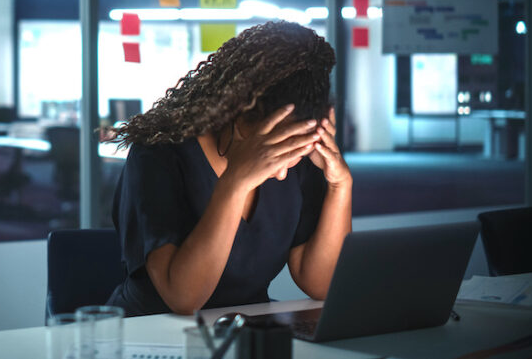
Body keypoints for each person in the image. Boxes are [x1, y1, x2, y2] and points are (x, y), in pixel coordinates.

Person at [105, 21, 352, 316]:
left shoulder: (300, 155)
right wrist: (235, 183)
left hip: (245, 330)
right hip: (152, 332)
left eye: (295, 153)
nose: (282, 172)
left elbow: (322, 284)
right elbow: (183, 298)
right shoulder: (158, 154)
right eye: (270, 149)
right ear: (237, 110)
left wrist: (340, 186)